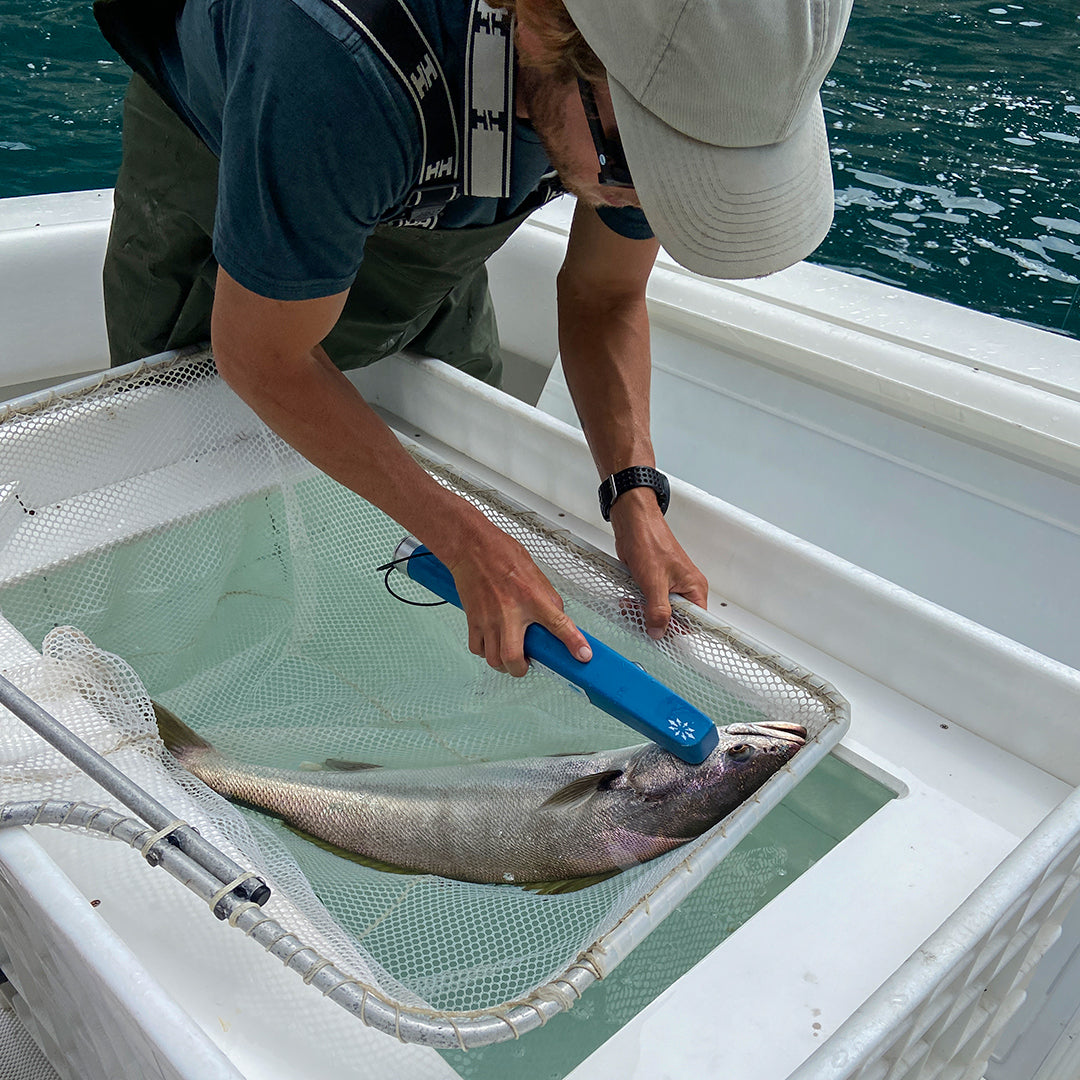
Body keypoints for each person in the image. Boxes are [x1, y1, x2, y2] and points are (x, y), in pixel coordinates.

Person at [93, 0, 852, 678]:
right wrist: (461, 540)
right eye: (638, 165)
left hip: (435, 202)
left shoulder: (663, 78)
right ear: (548, 26)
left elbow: (606, 291)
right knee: (197, 470)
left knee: (465, 477)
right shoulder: (330, 57)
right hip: (239, 151)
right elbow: (260, 353)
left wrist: (633, 493)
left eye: (686, 175)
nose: (646, 203)